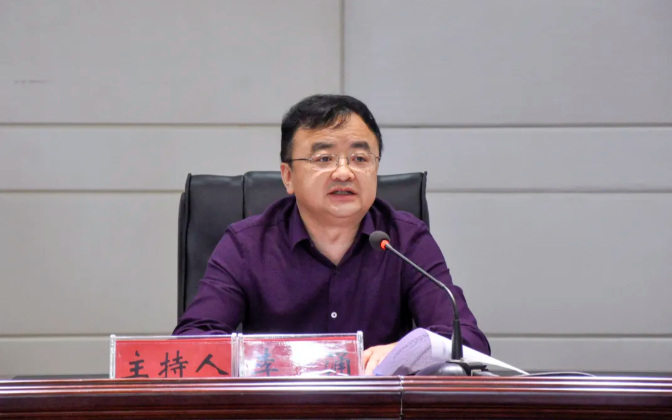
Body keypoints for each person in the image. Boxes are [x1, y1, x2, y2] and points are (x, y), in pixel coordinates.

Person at [173, 94, 490, 374]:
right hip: (277, 412)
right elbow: (192, 344)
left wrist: (407, 354)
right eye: (324, 158)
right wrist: (271, 361)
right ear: (288, 176)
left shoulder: (405, 241)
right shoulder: (246, 245)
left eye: (360, 159)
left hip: (379, 413)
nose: (344, 172)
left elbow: (468, 343)